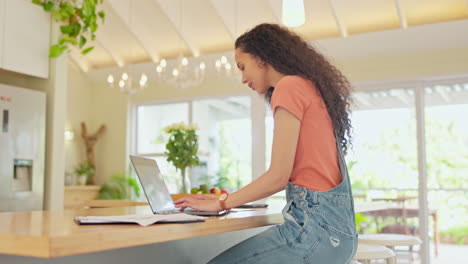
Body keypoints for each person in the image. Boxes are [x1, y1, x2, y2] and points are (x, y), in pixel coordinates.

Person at [174, 23, 357, 264]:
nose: (242, 78)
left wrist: (221, 202)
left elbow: (278, 176)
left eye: (242, 66)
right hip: (339, 236)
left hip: (313, 234)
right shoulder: (310, 87)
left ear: (261, 57)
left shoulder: (289, 87)